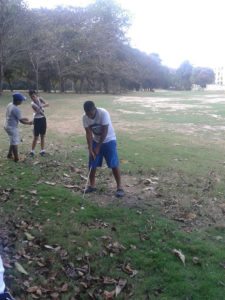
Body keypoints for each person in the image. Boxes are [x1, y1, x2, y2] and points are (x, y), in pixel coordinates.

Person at [82, 100, 125, 197]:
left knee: (113, 163)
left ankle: (119, 187)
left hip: (109, 140)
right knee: (92, 163)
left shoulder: (103, 113)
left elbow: (105, 131)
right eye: (87, 114)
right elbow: (88, 134)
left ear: (94, 109)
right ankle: (92, 185)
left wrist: (98, 147)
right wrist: (90, 149)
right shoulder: (85, 117)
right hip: (95, 140)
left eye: (90, 114)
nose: (89, 116)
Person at [4, 93, 33, 162]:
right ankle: (16, 159)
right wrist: (29, 123)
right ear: (17, 101)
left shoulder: (10, 104)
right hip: (12, 127)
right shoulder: (16, 109)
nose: (22, 102)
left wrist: (24, 118)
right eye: (21, 100)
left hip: (7, 125)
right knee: (15, 142)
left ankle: (9, 154)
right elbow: (21, 121)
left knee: (12, 140)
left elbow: (16, 117)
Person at [28, 90, 49, 156]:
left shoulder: (40, 98)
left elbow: (47, 104)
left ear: (36, 95)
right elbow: (41, 112)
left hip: (43, 119)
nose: (33, 98)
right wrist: (42, 106)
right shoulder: (32, 104)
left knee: (42, 135)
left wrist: (42, 105)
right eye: (31, 97)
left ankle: (42, 151)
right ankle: (32, 151)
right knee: (36, 137)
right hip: (37, 120)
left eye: (33, 96)